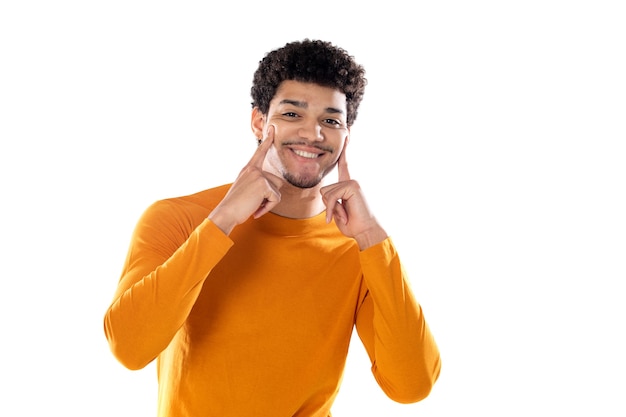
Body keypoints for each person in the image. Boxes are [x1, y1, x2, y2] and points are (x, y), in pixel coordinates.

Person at [104, 38, 441, 417]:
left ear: (346, 136)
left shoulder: (358, 249)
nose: (313, 134)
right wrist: (223, 220)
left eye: (331, 120)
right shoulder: (179, 219)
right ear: (259, 122)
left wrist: (371, 237)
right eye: (293, 114)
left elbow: (412, 385)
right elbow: (129, 348)